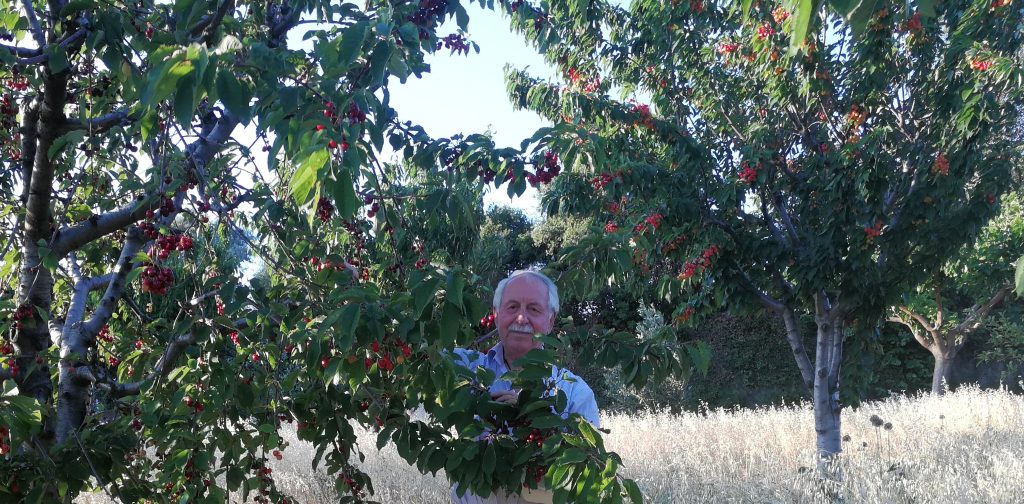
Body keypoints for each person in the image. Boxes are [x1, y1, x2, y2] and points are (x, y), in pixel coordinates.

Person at [449, 270, 599, 504]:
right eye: (512, 307)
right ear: (496, 315)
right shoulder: (466, 368)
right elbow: (420, 353)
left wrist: (535, 418)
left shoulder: (574, 394)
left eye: (534, 309)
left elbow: (584, 479)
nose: (521, 318)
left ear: (550, 321)